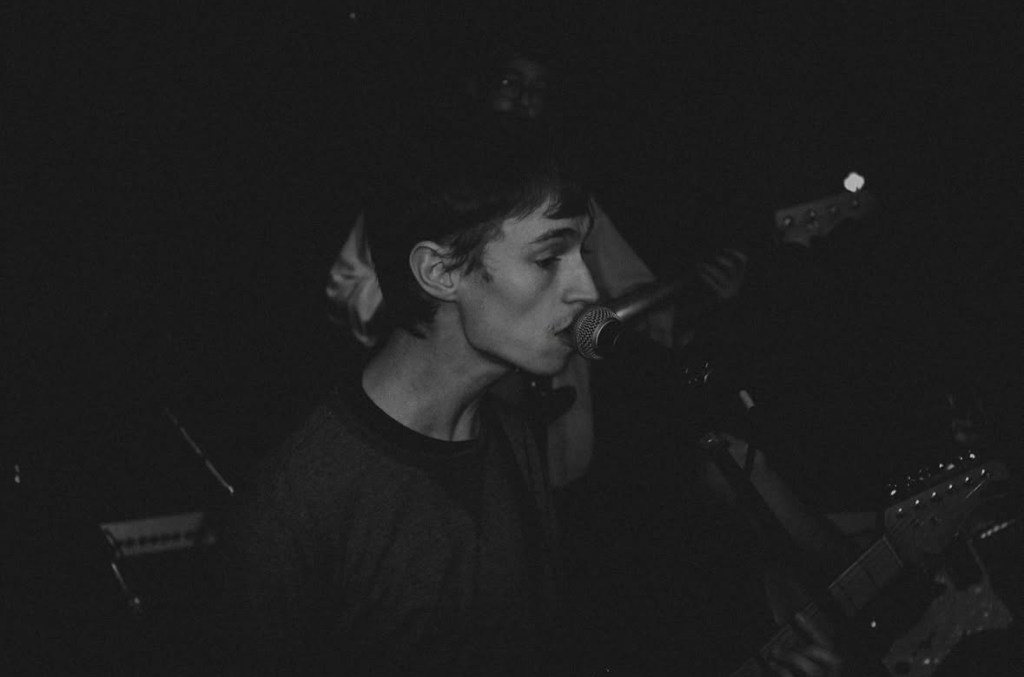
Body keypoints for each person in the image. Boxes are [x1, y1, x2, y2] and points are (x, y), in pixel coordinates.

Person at [324, 42, 675, 488]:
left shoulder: (566, 194)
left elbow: (634, 284)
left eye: (538, 89)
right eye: (512, 82)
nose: (525, 99)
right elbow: (350, 291)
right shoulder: (423, 192)